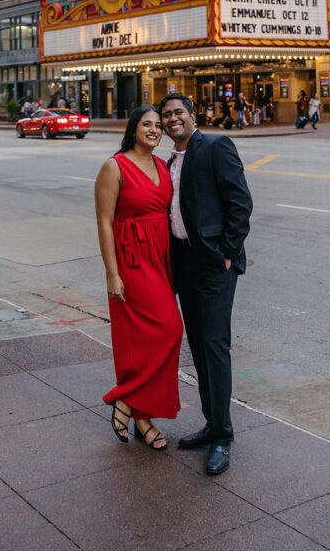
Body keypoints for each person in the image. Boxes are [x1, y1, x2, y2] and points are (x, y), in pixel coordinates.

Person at [159, 93, 252, 477]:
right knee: (197, 347)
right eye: (166, 115)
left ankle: (222, 437)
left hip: (214, 266)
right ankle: (210, 423)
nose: (172, 119)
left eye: (178, 112)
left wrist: (227, 254)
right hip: (184, 266)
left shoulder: (215, 145)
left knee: (214, 347)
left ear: (192, 115)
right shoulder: (168, 161)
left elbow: (240, 203)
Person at [94, 105, 183, 451]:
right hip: (132, 262)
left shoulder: (162, 165)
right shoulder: (114, 167)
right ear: (133, 129)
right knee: (168, 330)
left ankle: (139, 415)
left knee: (158, 337)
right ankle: (126, 399)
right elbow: (104, 223)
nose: (155, 130)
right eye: (147, 124)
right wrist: (112, 274)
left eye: (158, 126)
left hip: (159, 260)